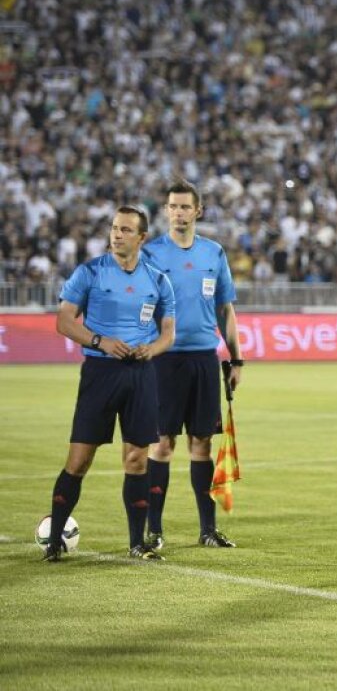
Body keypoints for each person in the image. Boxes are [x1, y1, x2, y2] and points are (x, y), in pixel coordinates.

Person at [43, 206, 176, 562]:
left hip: (141, 374)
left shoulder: (158, 280)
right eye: (115, 228)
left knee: (136, 459)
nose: (117, 235)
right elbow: (64, 321)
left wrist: (153, 349)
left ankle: (137, 543)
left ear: (141, 237)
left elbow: (168, 334)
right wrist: (100, 341)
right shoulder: (89, 272)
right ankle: (54, 541)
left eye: (126, 230)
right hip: (101, 373)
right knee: (79, 460)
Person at [141, 180, 243, 550]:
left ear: (198, 211)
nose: (179, 213)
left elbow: (225, 309)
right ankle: (153, 530)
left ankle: (208, 530)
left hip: (204, 358)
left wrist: (236, 357)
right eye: (173, 206)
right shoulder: (150, 254)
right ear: (166, 210)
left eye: (186, 207)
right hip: (163, 360)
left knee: (201, 444)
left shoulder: (213, 253)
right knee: (162, 443)